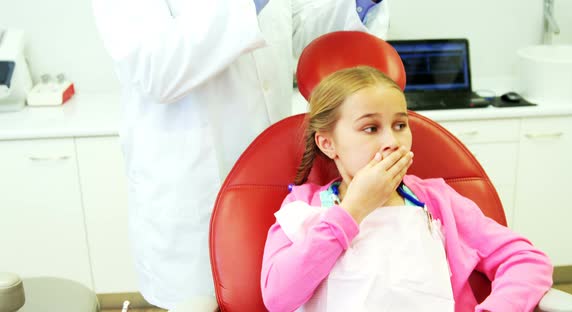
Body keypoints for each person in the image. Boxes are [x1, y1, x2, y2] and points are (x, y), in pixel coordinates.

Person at [91, 0, 389, 309]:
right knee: (200, 302)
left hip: (268, 179)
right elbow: (154, 67)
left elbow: (297, 29)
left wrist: (359, 3)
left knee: (278, 291)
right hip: (192, 191)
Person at [260, 66, 553, 311]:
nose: (392, 141)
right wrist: (352, 211)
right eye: (371, 128)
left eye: (400, 125)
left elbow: (526, 260)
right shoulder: (303, 208)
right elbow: (278, 298)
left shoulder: (437, 202)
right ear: (328, 143)